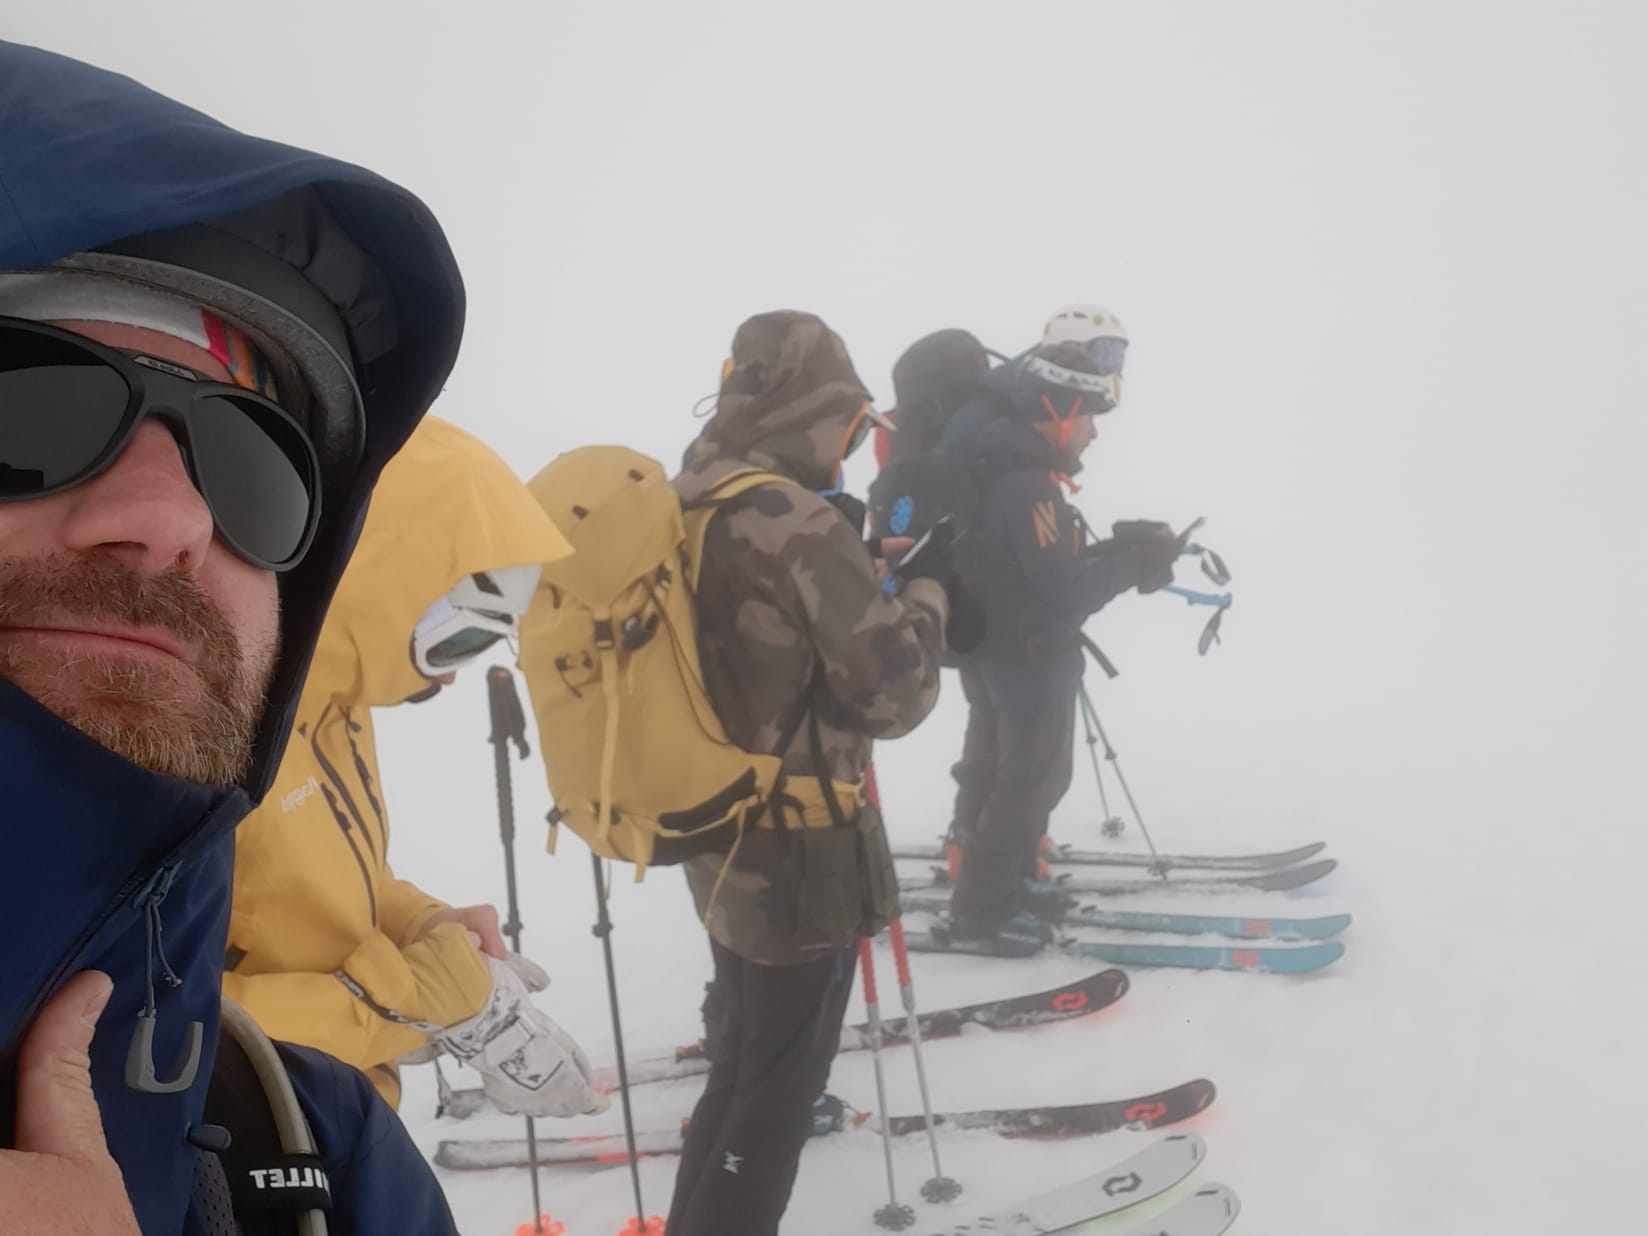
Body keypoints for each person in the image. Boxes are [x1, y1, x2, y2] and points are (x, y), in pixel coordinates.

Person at [0, 41, 468, 1234]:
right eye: (27, 406)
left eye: (257, 465)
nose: (173, 518)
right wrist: (399, 989)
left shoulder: (317, 1162)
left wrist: (417, 933)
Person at [226, 413, 606, 1119]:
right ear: (380, 591)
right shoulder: (213, 738)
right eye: (455, 640)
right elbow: (148, 1021)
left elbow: (310, 895)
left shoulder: (331, 704)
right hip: (243, 1138)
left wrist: (422, 925)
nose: (452, 676)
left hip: (336, 1115)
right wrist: (410, 999)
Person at [665, 311, 948, 1236]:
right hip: (802, 848)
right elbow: (894, 699)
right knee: (778, 1092)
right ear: (811, 412)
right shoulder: (794, 520)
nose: (849, 449)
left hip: (717, 827)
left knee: (745, 1061)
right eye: (850, 428)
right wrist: (927, 595)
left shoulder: (692, 493)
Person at [940, 306, 1183, 948]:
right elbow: (1066, 590)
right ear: (1058, 411)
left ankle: (1007, 886)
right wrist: (1132, 564)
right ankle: (982, 913)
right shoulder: (1028, 486)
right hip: (1027, 658)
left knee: (1009, 777)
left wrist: (1118, 551)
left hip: (999, 650)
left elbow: (1042, 571)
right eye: (1090, 419)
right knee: (1029, 785)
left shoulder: (1008, 469)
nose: (1094, 435)